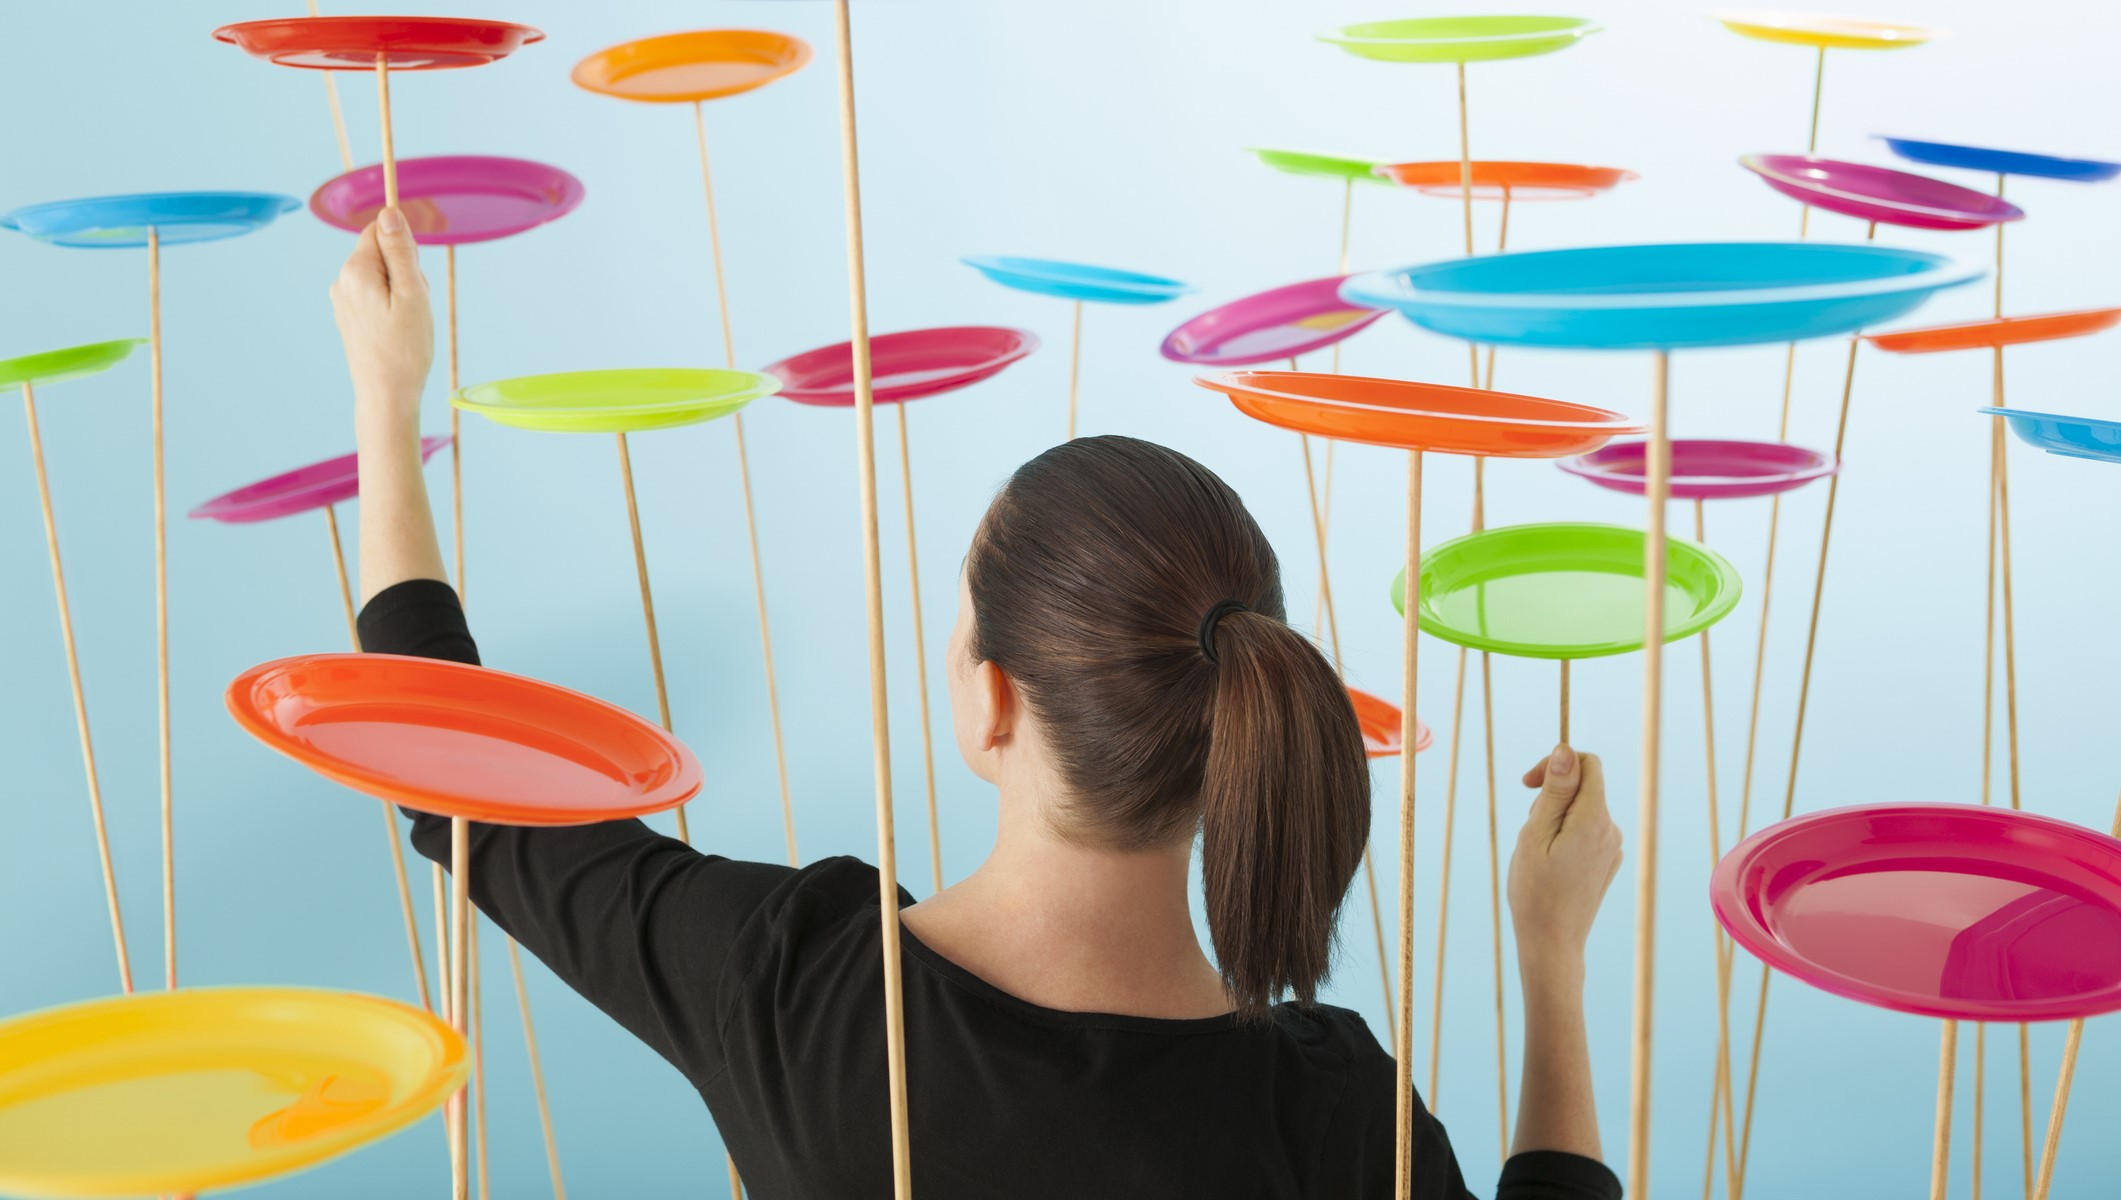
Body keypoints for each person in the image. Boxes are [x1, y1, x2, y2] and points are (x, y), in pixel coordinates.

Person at [333, 207, 1626, 1199]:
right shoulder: (1336, 1115)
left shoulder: (800, 982)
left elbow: (462, 781)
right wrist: (1549, 956)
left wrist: (385, 404)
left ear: (993, 701)